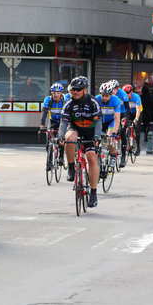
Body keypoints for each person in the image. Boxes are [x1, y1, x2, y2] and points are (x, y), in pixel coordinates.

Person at [59, 76, 101, 208]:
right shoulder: (69, 103)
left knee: (92, 158)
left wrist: (97, 136)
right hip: (75, 128)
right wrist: (61, 136)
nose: (75, 92)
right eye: (73, 90)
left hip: (91, 131)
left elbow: (99, 121)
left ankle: (93, 193)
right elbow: (64, 122)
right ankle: (71, 167)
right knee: (69, 138)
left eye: (78, 89)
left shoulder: (93, 102)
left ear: (85, 90)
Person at [95, 82, 121, 168]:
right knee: (96, 139)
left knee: (110, 138)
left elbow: (117, 118)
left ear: (110, 95)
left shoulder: (116, 100)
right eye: (103, 95)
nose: (104, 98)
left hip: (111, 121)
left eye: (107, 96)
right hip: (100, 122)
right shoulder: (96, 99)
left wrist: (115, 132)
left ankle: (113, 156)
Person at [40, 82, 66, 166]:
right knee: (49, 142)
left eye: (58, 93)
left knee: (61, 138)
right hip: (53, 121)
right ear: (51, 93)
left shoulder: (65, 100)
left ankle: (61, 157)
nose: (56, 95)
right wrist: (42, 125)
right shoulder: (48, 100)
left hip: (63, 121)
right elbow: (44, 113)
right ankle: (49, 161)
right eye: (54, 93)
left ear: (61, 93)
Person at [110, 80, 129, 167]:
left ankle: (123, 157)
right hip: (113, 114)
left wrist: (125, 118)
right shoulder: (109, 94)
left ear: (117, 89)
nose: (113, 91)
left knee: (122, 133)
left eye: (114, 89)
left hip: (122, 113)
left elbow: (127, 107)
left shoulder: (122, 94)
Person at [122, 84, 142, 156]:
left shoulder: (136, 97)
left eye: (128, 93)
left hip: (136, 113)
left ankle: (138, 147)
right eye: (125, 93)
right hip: (129, 113)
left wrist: (136, 119)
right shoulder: (123, 98)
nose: (126, 95)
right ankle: (127, 143)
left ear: (131, 92)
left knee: (137, 129)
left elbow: (138, 109)